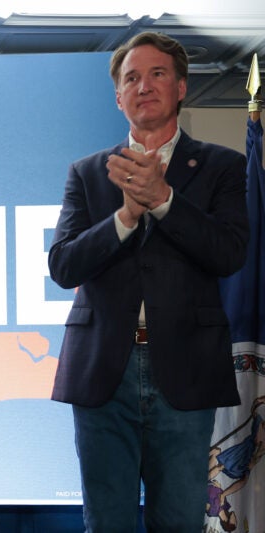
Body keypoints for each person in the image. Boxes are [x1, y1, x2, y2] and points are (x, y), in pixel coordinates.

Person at [48, 31, 249, 531]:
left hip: (185, 368)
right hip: (103, 373)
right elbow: (63, 266)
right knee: (106, 521)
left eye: (157, 74)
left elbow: (229, 253)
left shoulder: (225, 167)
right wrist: (124, 217)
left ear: (180, 87)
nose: (144, 85)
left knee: (179, 521)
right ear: (118, 98)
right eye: (131, 78)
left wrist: (163, 200)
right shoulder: (89, 172)